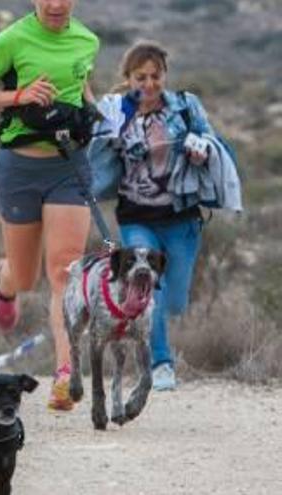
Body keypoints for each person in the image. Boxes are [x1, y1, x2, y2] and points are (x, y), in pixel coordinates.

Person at [0, 0, 100, 411]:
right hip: (19, 168)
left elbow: (81, 85)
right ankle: (4, 283)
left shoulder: (87, 40)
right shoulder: (11, 39)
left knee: (65, 270)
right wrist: (21, 96)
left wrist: (91, 114)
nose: (57, 4)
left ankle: (66, 373)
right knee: (25, 277)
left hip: (68, 166)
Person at [89, 41, 240, 391]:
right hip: (135, 217)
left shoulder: (185, 106)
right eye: (140, 77)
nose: (149, 83)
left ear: (165, 76)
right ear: (127, 78)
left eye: (156, 76)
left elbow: (211, 141)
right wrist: (112, 142)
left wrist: (201, 149)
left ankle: (160, 333)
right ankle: (161, 363)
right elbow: (94, 146)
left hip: (182, 218)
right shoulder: (115, 110)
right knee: (147, 286)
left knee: (174, 301)